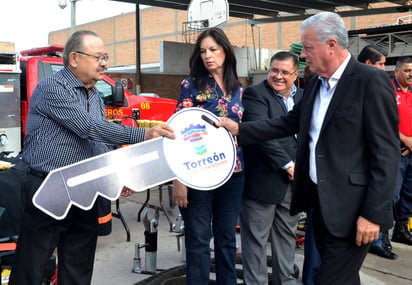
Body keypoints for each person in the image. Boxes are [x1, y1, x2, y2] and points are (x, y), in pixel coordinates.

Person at [217, 12, 400, 285]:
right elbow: (287, 122)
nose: (303, 54)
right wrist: (239, 129)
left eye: (308, 47)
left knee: (329, 279)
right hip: (320, 205)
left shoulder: (370, 82)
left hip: (353, 210)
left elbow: (386, 154)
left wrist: (373, 215)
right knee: (342, 278)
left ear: (331, 45)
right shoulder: (315, 84)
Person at [9, 30, 175, 285]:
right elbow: (88, 127)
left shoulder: (93, 95)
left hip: (83, 190)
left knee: (78, 267)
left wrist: (119, 175)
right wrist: (144, 134)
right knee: (32, 267)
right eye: (98, 57)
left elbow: (97, 141)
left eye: (105, 57)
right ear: (74, 58)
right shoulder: (53, 88)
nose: (105, 63)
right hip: (46, 188)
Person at [172, 27, 244, 285]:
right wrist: (178, 179)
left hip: (233, 172)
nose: (207, 55)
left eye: (213, 49)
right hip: (198, 173)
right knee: (199, 238)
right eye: (203, 51)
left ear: (225, 50)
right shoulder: (191, 84)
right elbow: (176, 132)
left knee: (226, 238)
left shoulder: (238, 87)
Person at [239, 51, 302, 285]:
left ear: (296, 74)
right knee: (255, 242)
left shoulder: (304, 97)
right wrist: (289, 165)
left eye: (285, 72)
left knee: (287, 238)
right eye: (274, 70)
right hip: (262, 183)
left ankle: (285, 282)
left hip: (293, 185)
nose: (278, 76)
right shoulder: (255, 95)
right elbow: (261, 133)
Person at [357, 44, 398, 259]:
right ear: (368, 64)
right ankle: (379, 241)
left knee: (394, 198)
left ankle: (385, 238)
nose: (384, 69)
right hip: (370, 164)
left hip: (396, 154)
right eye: (381, 64)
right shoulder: (363, 87)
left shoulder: (380, 84)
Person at [392, 56, 412, 246]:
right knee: (392, 194)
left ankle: (401, 230)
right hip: (395, 152)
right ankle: (380, 238)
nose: (410, 74)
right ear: (397, 71)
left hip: (410, 152)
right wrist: (405, 140)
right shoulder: (389, 91)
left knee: (408, 193)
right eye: (406, 70)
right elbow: (384, 121)